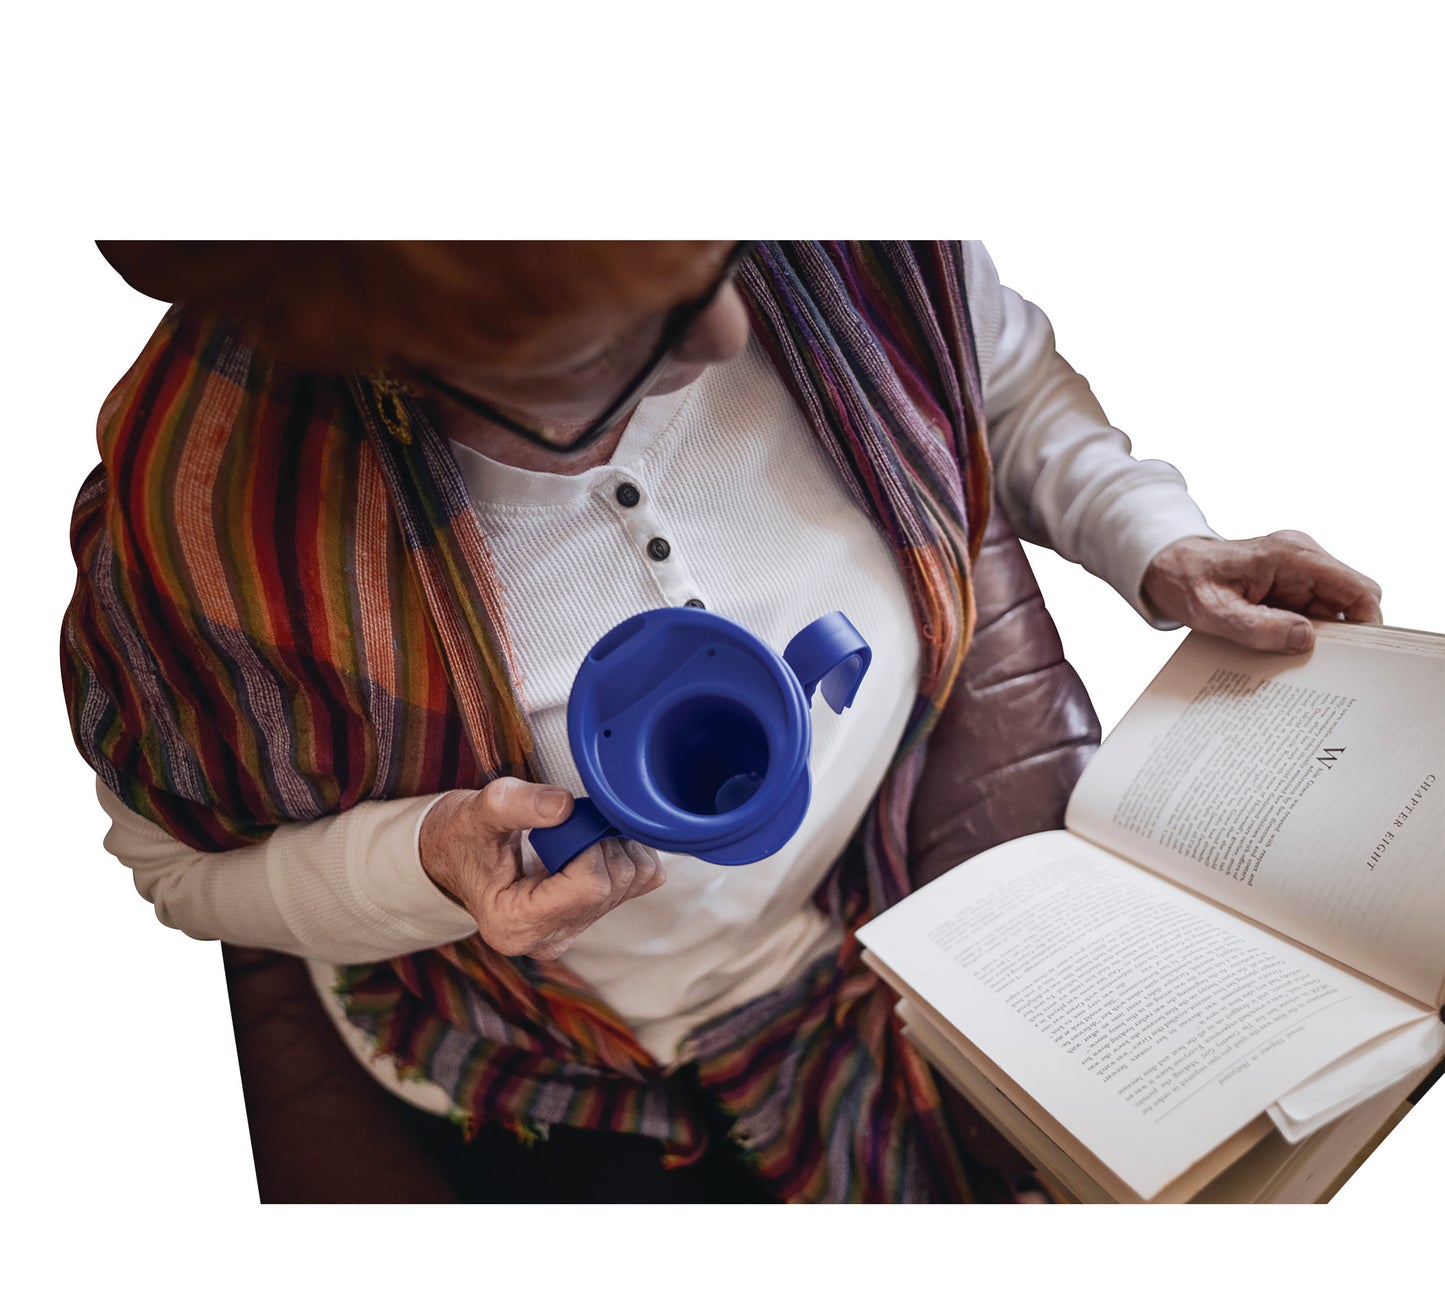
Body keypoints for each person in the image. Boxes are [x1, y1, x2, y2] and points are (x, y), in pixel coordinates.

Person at [63, 241, 1384, 1203]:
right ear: (394, 360)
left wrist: (1152, 539)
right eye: (631, 331)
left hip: (912, 905)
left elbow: (999, 375)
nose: (738, 336)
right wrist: (418, 865)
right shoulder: (212, 526)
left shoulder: (822, 238)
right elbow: (181, 870)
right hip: (560, 1029)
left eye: (721, 248)